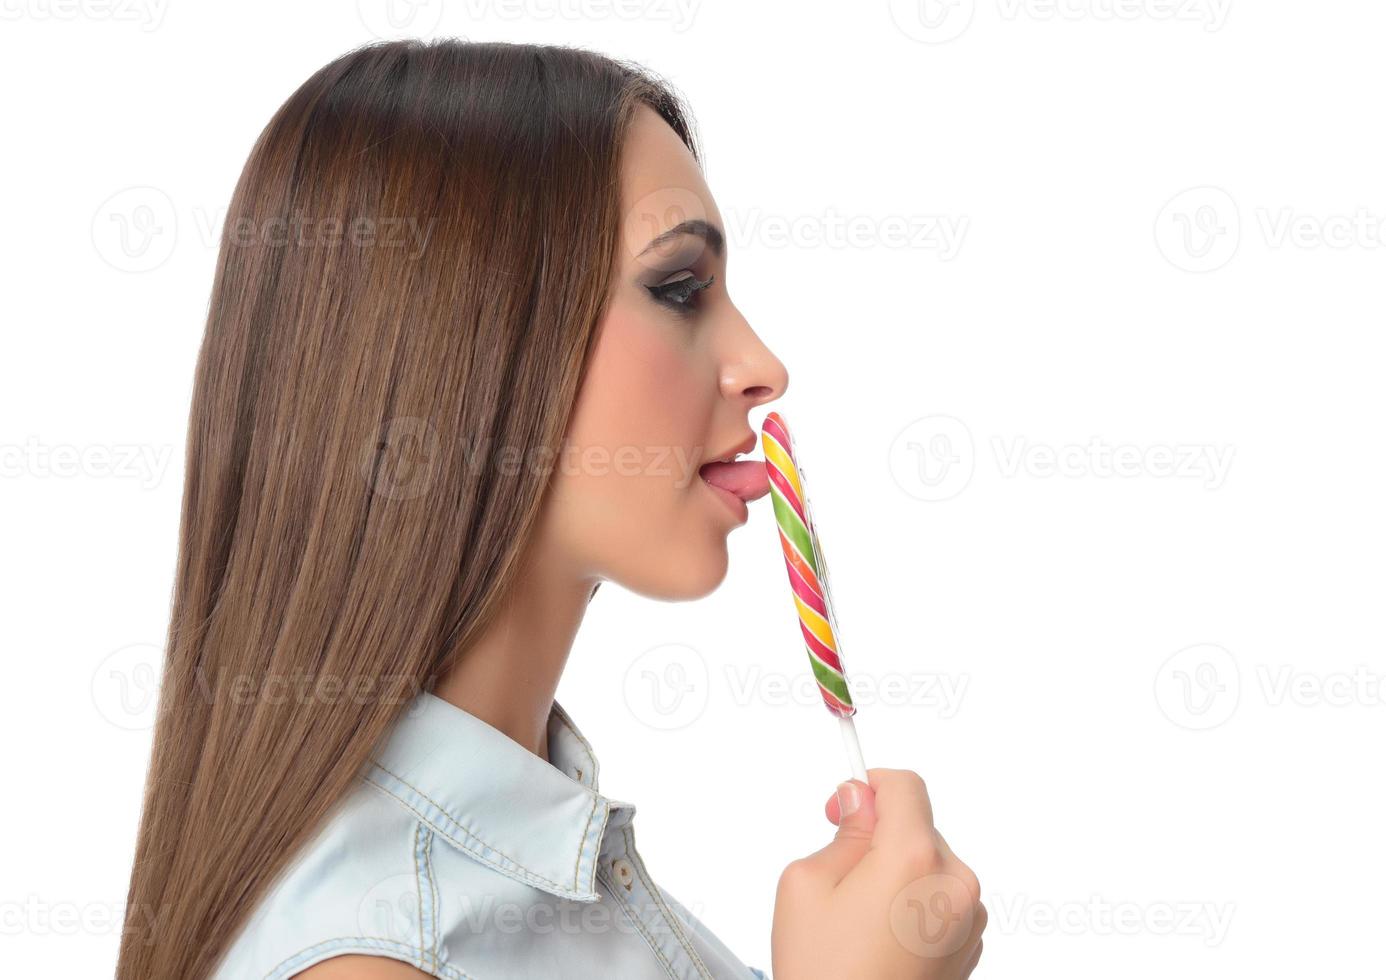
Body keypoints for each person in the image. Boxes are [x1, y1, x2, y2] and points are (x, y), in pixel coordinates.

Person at [116, 39, 984, 980]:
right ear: (465, 344)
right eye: (679, 288)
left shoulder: (544, 882)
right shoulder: (376, 956)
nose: (761, 365)